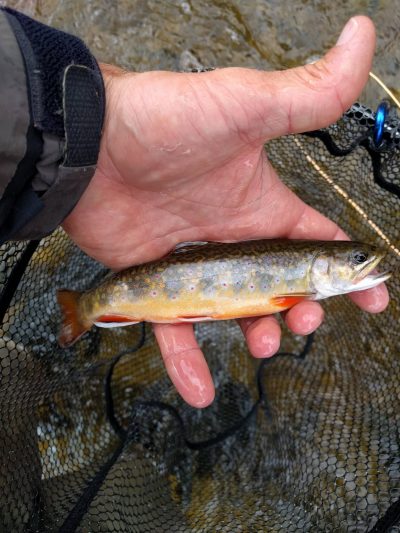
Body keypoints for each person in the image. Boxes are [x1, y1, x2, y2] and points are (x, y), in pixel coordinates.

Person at [0, 8, 389, 408]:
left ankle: (87, 306)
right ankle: (85, 307)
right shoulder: (297, 286)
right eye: (358, 258)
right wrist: (104, 124)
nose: (365, 263)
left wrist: (102, 121)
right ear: (321, 264)